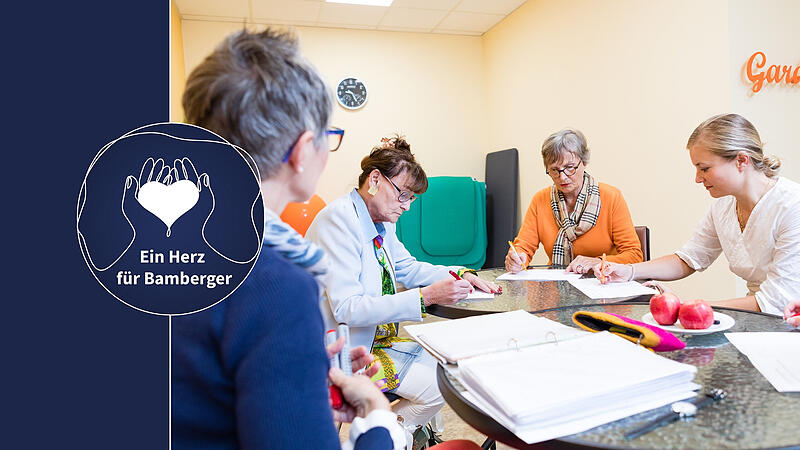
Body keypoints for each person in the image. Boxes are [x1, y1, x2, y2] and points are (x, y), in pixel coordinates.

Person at [172, 28, 404, 449]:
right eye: (330, 137)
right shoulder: (275, 284)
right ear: (302, 150)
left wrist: (298, 377)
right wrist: (379, 420)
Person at [306, 135, 501, 446]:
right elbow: (347, 308)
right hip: (341, 353)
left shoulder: (381, 223)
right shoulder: (338, 221)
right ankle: (389, 436)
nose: (407, 207)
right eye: (403, 196)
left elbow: (409, 268)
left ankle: (390, 435)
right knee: (439, 386)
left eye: (411, 199)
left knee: (447, 379)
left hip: (374, 340)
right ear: (374, 180)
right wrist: (426, 298)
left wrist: (460, 272)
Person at [596, 113, 800, 315]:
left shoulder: (792, 206)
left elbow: (776, 301)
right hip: (757, 318)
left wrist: (689, 307)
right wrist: (629, 271)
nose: (697, 178)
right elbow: (689, 259)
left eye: (704, 169)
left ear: (741, 160)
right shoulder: (723, 206)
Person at [505, 128, 643, 273]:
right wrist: (517, 258)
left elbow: (634, 256)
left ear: (584, 162)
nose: (562, 177)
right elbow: (523, 247)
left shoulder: (611, 197)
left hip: (602, 282)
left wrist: (597, 262)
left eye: (569, 168)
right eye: (554, 170)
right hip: (558, 285)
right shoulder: (540, 200)